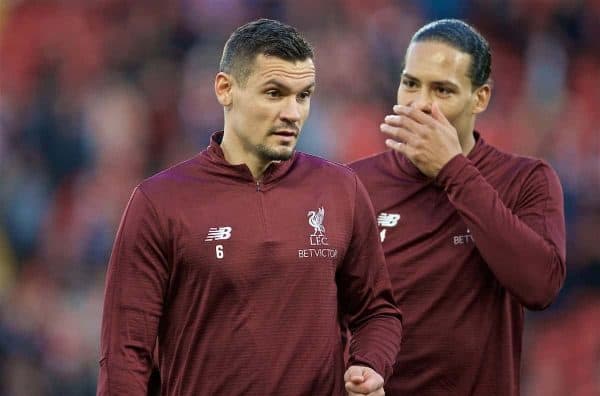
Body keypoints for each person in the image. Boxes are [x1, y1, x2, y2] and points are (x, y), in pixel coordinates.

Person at [97, 18, 402, 396]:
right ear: (225, 89)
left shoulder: (340, 189)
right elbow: (125, 354)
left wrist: (370, 363)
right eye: (274, 93)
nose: (292, 112)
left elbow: (377, 311)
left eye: (303, 95)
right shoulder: (159, 202)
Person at [349, 19, 566, 395]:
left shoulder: (525, 180)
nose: (419, 104)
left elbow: (540, 287)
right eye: (410, 83)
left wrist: (452, 170)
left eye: (442, 90)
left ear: (480, 97)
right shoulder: (352, 185)